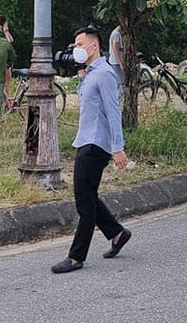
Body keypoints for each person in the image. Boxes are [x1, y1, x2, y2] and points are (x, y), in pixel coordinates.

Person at [51, 25, 131, 274]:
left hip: (97, 144)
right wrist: (82, 74)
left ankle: (76, 257)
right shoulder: (90, 73)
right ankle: (117, 233)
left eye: (79, 45)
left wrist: (118, 148)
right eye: (75, 45)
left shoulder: (105, 73)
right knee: (88, 196)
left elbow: (113, 112)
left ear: (94, 46)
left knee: (84, 201)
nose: (76, 49)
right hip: (85, 140)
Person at [0, 14, 14, 97]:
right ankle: (5, 101)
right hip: (2, 61)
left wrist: (6, 31)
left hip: (1, 60)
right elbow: (9, 43)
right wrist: (6, 31)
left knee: (6, 83)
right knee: (6, 83)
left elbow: (11, 40)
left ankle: (6, 101)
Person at [107, 25, 124, 90]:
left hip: (116, 61)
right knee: (121, 83)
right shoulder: (116, 34)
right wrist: (120, 63)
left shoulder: (117, 33)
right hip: (116, 62)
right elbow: (115, 49)